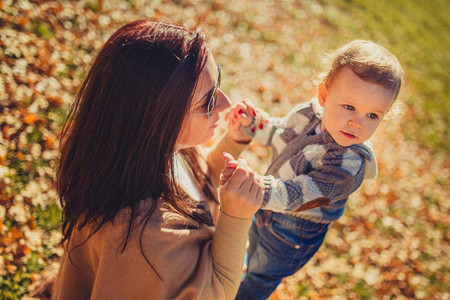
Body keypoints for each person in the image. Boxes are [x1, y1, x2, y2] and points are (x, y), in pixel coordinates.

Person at [51, 20, 265, 300]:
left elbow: (197, 182)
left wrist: (233, 141)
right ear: (158, 118)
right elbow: (216, 291)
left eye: (218, 82)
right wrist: (236, 217)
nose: (226, 104)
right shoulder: (148, 237)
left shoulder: (142, 153)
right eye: (208, 101)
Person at [221, 40, 404, 299]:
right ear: (324, 96)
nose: (357, 122)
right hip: (266, 205)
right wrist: (253, 124)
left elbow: (301, 193)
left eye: (372, 116)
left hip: (293, 230)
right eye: (349, 107)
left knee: (262, 275)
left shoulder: (348, 164)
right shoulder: (308, 114)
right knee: (252, 252)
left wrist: (257, 188)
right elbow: (279, 131)